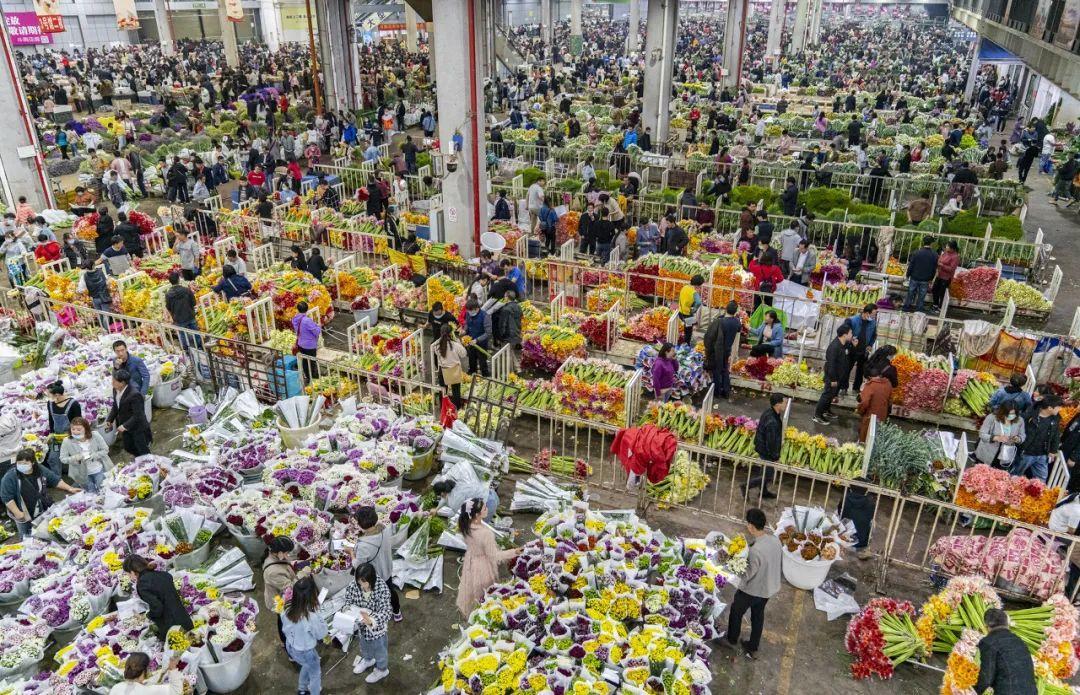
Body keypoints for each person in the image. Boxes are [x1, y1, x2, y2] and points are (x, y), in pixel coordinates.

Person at [723, 507, 782, 659]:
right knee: (758, 614)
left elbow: (748, 574)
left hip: (753, 590)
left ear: (750, 526)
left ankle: (731, 639)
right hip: (769, 588)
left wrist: (732, 564)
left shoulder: (755, 551)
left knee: (736, 611)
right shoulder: (775, 540)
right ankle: (753, 644)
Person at [455, 497, 520, 616]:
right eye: (485, 508)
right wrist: (514, 552)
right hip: (482, 566)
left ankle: (472, 613)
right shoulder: (485, 533)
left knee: (471, 588)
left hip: (470, 560)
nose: (487, 509)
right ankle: (482, 616)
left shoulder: (465, 525)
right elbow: (494, 556)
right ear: (476, 514)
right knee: (484, 593)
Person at [2, 448, 80, 539]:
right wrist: (17, 513)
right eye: (19, 463)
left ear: (33, 463)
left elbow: (54, 480)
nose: (21, 465)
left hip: (40, 507)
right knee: (26, 536)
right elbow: (6, 497)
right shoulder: (10, 477)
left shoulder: (39, 469)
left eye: (25, 463)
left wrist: (70, 488)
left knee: (43, 533)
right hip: (22, 511)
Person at [349, 505, 403, 623]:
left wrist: (351, 553)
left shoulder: (364, 545)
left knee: (377, 594)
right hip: (387, 568)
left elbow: (358, 565)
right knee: (390, 590)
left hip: (376, 574)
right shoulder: (385, 530)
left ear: (360, 524)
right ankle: (397, 612)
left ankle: (378, 615)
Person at [123, 555, 194, 637]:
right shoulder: (164, 574)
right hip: (185, 620)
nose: (129, 577)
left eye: (128, 574)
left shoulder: (142, 584)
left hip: (172, 628)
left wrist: (148, 615)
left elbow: (157, 607)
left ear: (132, 572)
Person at [344, 563, 392, 683]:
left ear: (371, 580)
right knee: (364, 645)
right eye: (359, 582)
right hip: (361, 626)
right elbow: (348, 600)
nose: (361, 586)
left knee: (380, 650)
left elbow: (387, 611)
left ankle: (382, 670)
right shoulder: (355, 584)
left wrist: (371, 620)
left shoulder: (382, 588)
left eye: (364, 582)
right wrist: (347, 610)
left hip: (377, 630)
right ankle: (368, 659)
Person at [280, 577, 327, 695]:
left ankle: (302, 689)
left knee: (306, 665)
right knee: (315, 674)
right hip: (306, 651)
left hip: (291, 646)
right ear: (312, 596)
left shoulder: (286, 609)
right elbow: (321, 633)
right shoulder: (311, 617)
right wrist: (318, 616)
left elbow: (284, 629)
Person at [974, 608, 1038, 694]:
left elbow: (986, 679)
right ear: (1007, 624)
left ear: (987, 627)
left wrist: (971, 691)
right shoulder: (1019, 641)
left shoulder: (988, 642)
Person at [262, 535, 297, 655]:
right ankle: (289, 649)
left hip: (280, 596)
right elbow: (290, 587)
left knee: (283, 620)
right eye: (287, 553)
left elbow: (285, 565)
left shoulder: (274, 556)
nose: (289, 555)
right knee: (284, 622)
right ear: (280, 552)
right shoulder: (273, 572)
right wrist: (301, 576)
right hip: (279, 601)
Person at [1014, 395, 1061, 481]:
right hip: (1026, 453)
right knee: (1016, 474)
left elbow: (1056, 435)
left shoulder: (1055, 419)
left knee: (1042, 478)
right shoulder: (1028, 416)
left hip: (1043, 454)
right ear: (1050, 408)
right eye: (1058, 407)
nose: (1060, 409)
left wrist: (1053, 450)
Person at [60, 416, 111, 493]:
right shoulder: (67, 441)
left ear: (86, 429)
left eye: (79, 429)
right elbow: (63, 458)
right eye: (73, 429)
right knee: (91, 493)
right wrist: (75, 458)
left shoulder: (95, 435)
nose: (75, 432)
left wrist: (93, 456)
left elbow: (105, 449)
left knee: (104, 490)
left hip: (98, 469)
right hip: (81, 474)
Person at [748, 394, 785, 498]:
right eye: (784, 402)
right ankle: (746, 486)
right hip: (766, 450)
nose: (785, 404)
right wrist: (775, 457)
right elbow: (771, 442)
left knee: (764, 471)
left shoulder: (770, 412)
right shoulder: (772, 421)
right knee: (768, 475)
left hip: (761, 446)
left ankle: (763, 492)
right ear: (778, 404)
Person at [107, 369, 151, 456]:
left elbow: (138, 415)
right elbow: (116, 405)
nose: (112, 383)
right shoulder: (115, 389)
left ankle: (148, 464)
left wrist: (125, 426)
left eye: (114, 381)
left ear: (122, 383)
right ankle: (139, 460)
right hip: (126, 426)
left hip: (137, 428)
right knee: (128, 447)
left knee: (143, 450)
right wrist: (110, 419)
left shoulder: (134, 395)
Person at [704, 301, 743, 399]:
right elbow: (739, 329)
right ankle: (726, 390)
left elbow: (709, 337)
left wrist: (708, 348)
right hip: (727, 349)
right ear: (735, 311)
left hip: (717, 350)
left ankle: (717, 392)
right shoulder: (736, 322)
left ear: (726, 309)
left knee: (717, 370)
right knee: (725, 369)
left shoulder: (719, 322)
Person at [814, 324, 852, 425]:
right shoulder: (834, 347)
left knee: (832, 394)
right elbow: (831, 365)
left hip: (839, 375)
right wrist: (833, 379)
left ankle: (826, 410)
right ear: (845, 335)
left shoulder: (843, 344)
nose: (852, 335)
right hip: (832, 376)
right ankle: (817, 415)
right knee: (827, 394)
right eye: (851, 333)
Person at [45, 380, 81, 476]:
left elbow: (79, 423)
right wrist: (51, 433)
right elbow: (51, 419)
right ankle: (57, 480)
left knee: (75, 458)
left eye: (49, 395)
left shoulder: (73, 404)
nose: (48, 397)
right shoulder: (50, 404)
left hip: (71, 437)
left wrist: (74, 435)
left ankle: (78, 478)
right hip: (57, 438)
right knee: (53, 459)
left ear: (57, 395)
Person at [974, 404, 1026, 468]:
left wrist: (1018, 439)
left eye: (1013, 414)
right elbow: (982, 434)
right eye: (1008, 414)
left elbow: (1022, 435)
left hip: (1005, 454)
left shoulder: (1020, 420)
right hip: (987, 451)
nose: (1010, 416)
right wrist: (995, 438)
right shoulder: (992, 417)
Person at [108, 652, 184, 695]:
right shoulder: (148, 690)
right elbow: (176, 690)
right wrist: (173, 668)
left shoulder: (116, 687)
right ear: (144, 671)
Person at [838, 479, 875, 560]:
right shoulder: (870, 502)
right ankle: (863, 549)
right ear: (866, 490)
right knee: (872, 523)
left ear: (851, 488)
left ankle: (840, 542)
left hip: (843, 537)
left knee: (839, 516)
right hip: (861, 540)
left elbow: (839, 511)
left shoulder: (845, 497)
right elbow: (870, 517)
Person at [435, 323, 468, 406]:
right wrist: (458, 342)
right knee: (456, 391)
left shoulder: (437, 345)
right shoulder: (455, 345)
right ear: (451, 333)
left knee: (443, 390)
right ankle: (457, 407)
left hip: (442, 370)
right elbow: (464, 354)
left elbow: (437, 354)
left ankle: (443, 407)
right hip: (454, 370)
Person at [846, 304, 878, 391]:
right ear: (867, 313)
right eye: (873, 314)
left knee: (861, 371)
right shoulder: (853, 320)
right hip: (852, 349)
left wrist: (870, 345)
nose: (874, 316)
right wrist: (851, 341)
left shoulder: (873, 323)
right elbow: (845, 333)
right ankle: (843, 387)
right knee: (847, 368)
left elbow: (874, 335)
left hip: (864, 351)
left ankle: (856, 388)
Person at [857, 366, 893, 442]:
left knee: (865, 435)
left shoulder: (870, 386)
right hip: (882, 414)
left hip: (870, 415)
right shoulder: (888, 384)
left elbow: (864, 402)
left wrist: (860, 411)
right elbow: (890, 401)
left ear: (870, 377)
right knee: (877, 434)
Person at [903, 236, 938, 313]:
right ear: (932, 243)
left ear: (923, 242)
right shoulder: (934, 255)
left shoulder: (916, 252)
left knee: (910, 293)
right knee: (922, 295)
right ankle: (919, 309)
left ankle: (906, 307)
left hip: (914, 277)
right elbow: (934, 269)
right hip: (925, 279)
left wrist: (907, 275)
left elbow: (911, 265)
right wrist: (931, 279)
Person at [292, 301, 321, 382]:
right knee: (312, 361)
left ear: (297, 309)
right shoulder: (307, 321)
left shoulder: (295, 318)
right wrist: (318, 326)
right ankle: (314, 377)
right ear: (307, 309)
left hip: (301, 344)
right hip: (310, 345)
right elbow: (317, 331)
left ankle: (307, 376)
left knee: (305, 361)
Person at [463, 298, 492, 377]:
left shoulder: (485, 316)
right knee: (471, 359)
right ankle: (472, 372)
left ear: (476, 308)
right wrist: (464, 331)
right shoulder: (468, 313)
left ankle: (485, 375)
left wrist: (477, 340)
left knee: (482, 360)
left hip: (481, 342)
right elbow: (467, 324)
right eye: (468, 311)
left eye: (470, 310)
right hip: (470, 341)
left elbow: (488, 333)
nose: (469, 312)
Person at [932, 241, 960, 308]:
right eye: (946, 246)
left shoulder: (955, 257)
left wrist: (942, 265)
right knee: (934, 289)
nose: (946, 247)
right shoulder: (945, 253)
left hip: (946, 278)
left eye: (948, 246)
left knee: (942, 293)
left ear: (952, 248)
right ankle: (935, 304)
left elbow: (951, 269)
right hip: (939, 275)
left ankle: (940, 307)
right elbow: (940, 259)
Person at [677, 275, 704, 344]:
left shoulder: (684, 287)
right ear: (698, 285)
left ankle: (686, 342)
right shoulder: (694, 292)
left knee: (688, 328)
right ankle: (687, 345)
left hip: (680, 312)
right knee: (688, 331)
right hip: (687, 314)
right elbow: (698, 302)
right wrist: (694, 309)